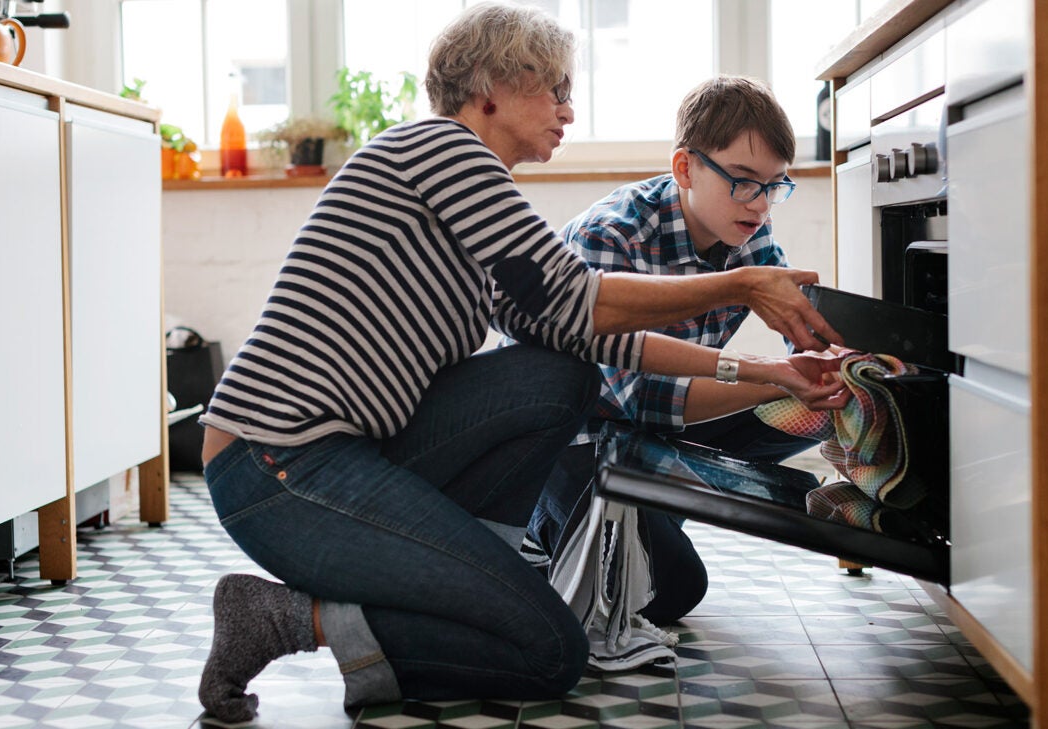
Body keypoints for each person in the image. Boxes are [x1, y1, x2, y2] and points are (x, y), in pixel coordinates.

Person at [194, 4, 845, 723]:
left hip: (351, 454)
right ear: (490, 89)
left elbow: (592, 339)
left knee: (557, 373)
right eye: (554, 89)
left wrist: (770, 376)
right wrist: (741, 285)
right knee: (549, 653)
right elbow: (581, 299)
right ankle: (283, 618)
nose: (569, 109)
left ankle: (484, 571)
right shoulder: (443, 151)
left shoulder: (481, 200)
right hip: (277, 461)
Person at [524, 76, 851, 627]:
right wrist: (781, 376)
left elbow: (806, 341)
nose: (762, 205)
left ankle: (645, 509)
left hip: (648, 435)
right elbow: (640, 398)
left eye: (775, 185)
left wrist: (845, 366)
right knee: (671, 591)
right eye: (744, 183)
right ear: (685, 169)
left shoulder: (751, 235)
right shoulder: (611, 237)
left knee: (817, 407)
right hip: (569, 437)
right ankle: (539, 522)